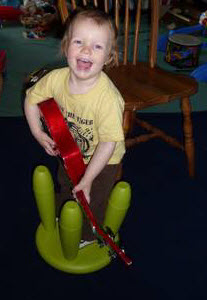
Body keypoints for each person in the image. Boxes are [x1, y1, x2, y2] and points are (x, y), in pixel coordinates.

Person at [24, 8, 125, 246]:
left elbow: (108, 143)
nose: (86, 50)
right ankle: (67, 205)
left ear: (109, 57)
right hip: (69, 151)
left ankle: (89, 235)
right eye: (79, 41)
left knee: (91, 200)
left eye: (98, 46)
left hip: (103, 160)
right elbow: (31, 99)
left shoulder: (108, 99)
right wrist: (37, 132)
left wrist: (88, 179)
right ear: (66, 46)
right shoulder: (56, 79)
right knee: (65, 182)